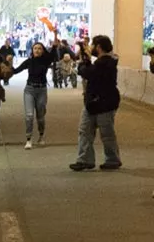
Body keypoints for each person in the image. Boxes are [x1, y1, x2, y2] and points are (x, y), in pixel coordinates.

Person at [70, 35, 121, 171]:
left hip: (105, 103)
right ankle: (84, 159)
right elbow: (91, 71)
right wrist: (86, 60)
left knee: (106, 132)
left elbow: (89, 73)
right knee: (84, 130)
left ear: (98, 47)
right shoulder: (102, 62)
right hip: (92, 102)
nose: (90, 48)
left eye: (92, 45)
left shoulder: (107, 62)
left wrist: (82, 63)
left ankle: (112, 160)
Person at [11, 33, 59, 149]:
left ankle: (41, 135)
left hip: (41, 90)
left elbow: (53, 52)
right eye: (35, 48)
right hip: (29, 90)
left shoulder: (46, 61)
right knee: (29, 115)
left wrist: (55, 38)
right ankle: (28, 139)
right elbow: (15, 71)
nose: (37, 50)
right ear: (32, 50)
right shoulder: (29, 61)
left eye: (39, 48)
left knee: (40, 116)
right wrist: (9, 62)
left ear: (43, 51)